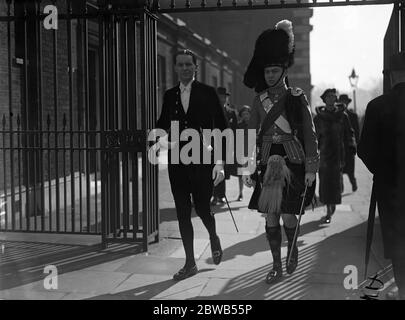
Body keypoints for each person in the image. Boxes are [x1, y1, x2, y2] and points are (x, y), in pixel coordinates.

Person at [242, 20, 319, 284]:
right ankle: (275, 264)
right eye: (267, 72)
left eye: (275, 71)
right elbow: (250, 135)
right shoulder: (258, 100)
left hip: (292, 160)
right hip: (266, 161)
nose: (270, 76)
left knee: (288, 213)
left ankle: (293, 248)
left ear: (283, 71)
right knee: (271, 215)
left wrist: (311, 168)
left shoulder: (296, 97)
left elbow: (309, 135)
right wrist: (248, 167)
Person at [155, 49, 228, 281]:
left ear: (195, 67)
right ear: (175, 68)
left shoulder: (207, 93)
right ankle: (189, 263)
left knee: (203, 208)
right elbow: (162, 123)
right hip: (177, 160)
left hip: (202, 159)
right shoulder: (170, 95)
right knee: (182, 212)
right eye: (181, 64)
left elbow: (222, 128)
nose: (185, 68)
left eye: (189, 64)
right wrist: (155, 141)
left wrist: (220, 162)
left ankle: (213, 237)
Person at [358, 52, 405, 300]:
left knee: (398, 244)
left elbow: (364, 149)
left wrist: (383, 171)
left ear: (392, 75)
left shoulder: (377, 106)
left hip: (390, 189)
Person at [313, 88, 356, 224]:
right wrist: (312, 151)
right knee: (325, 182)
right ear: (324, 99)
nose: (331, 99)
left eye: (333, 96)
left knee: (336, 183)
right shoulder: (318, 118)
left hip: (338, 154)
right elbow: (313, 137)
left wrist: (351, 145)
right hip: (324, 155)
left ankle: (332, 207)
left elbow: (350, 133)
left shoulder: (343, 116)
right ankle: (327, 210)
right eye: (328, 97)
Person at [211, 87, 238, 206]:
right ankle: (213, 196)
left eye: (224, 97)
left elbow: (235, 131)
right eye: (219, 96)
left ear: (226, 98)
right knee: (211, 170)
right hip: (212, 146)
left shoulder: (231, 112)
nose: (221, 99)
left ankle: (221, 196)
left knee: (222, 171)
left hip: (226, 146)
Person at [338, 94, 360, 192]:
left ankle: (353, 182)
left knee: (350, 169)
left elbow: (357, 132)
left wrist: (356, 145)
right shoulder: (336, 115)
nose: (343, 103)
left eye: (345, 102)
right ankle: (340, 185)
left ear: (347, 103)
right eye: (341, 101)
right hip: (339, 146)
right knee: (339, 169)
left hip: (349, 146)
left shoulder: (353, 116)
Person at [235, 105, 252, 201]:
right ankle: (240, 193)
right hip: (241, 152)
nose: (246, 116)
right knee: (241, 173)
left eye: (247, 113)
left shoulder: (255, 124)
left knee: (253, 173)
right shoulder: (239, 125)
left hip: (252, 152)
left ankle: (256, 193)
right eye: (243, 114)